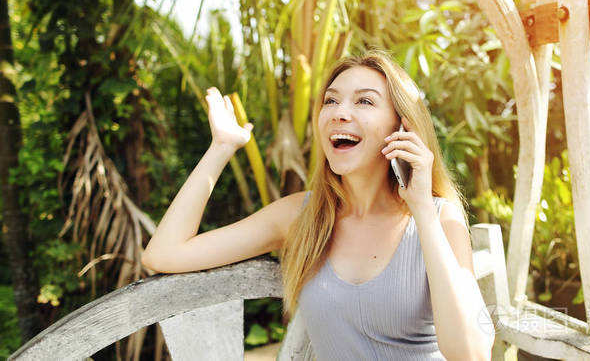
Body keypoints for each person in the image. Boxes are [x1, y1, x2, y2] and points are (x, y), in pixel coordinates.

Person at [142, 50, 494, 360]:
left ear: (401, 126)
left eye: (365, 101)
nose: (339, 113)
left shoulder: (439, 217)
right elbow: (163, 254)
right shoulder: (300, 216)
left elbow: (471, 353)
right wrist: (221, 147)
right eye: (330, 100)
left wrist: (420, 209)